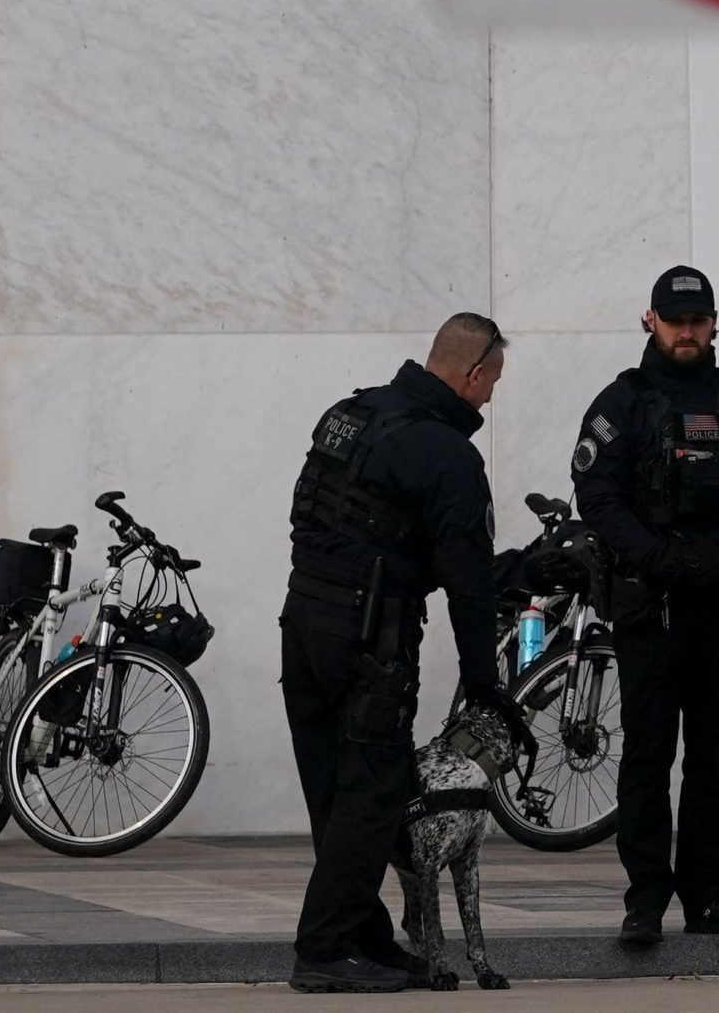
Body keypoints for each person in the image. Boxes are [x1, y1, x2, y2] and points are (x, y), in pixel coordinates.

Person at [283, 314, 529, 993]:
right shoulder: (447, 454)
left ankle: (366, 939)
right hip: (370, 638)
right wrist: (484, 682)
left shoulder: (349, 415)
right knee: (376, 789)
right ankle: (325, 947)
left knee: (334, 790)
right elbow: (468, 583)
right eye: (492, 384)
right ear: (473, 372)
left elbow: (311, 518)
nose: (488, 400)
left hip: (304, 622)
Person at [572, 266, 719, 946]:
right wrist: (655, 558)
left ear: (714, 322)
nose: (686, 330)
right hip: (651, 609)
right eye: (673, 318)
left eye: (697, 319)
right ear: (650, 320)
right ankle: (645, 900)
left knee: (712, 761)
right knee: (648, 757)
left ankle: (709, 897)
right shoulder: (622, 404)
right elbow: (598, 495)